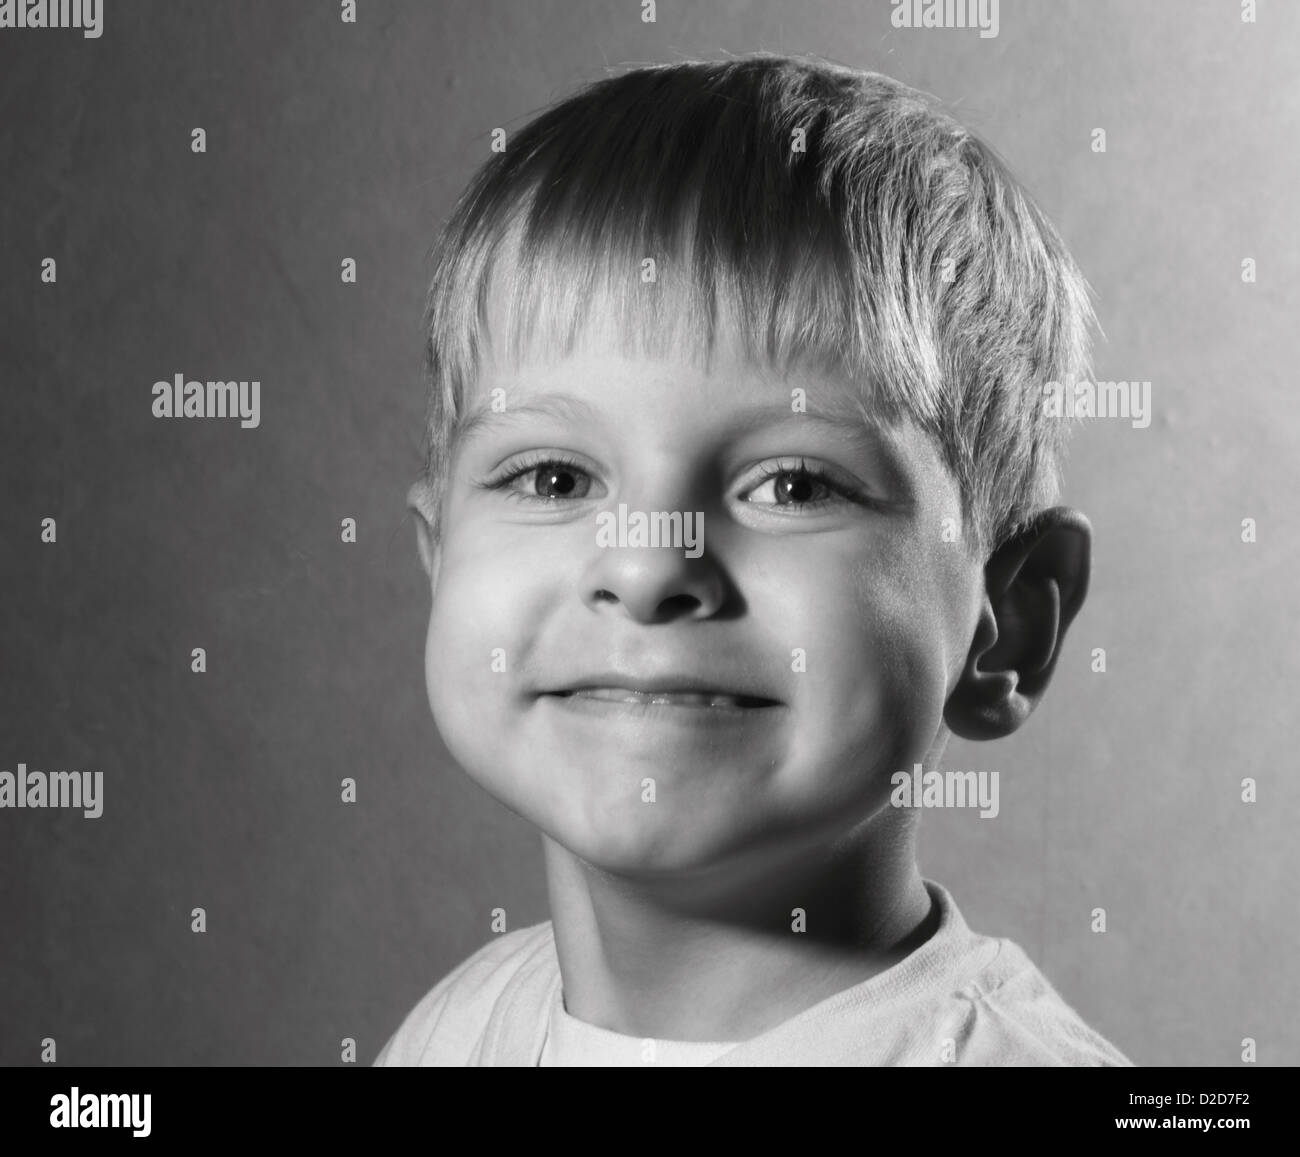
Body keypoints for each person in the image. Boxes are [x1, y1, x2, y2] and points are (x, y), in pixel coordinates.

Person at [376, 54, 1131, 1066]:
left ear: (1008, 623)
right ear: (438, 558)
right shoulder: (459, 1031)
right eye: (553, 478)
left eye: (794, 485)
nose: (647, 568)